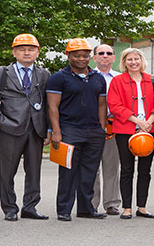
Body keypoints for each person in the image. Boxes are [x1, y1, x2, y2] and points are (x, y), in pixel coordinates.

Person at [0, 34, 51, 221]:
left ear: (37, 52)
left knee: (34, 171)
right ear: (14, 52)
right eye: (22, 49)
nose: (26, 52)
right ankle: (9, 208)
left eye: (31, 49)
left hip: (35, 129)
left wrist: (48, 129)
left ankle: (30, 207)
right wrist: (1, 122)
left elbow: (48, 103)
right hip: (10, 129)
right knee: (7, 171)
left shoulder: (44, 74)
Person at [46, 39, 108, 221]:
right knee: (68, 172)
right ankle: (63, 209)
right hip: (69, 130)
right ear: (68, 55)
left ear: (90, 56)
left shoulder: (97, 78)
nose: (81, 59)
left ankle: (86, 209)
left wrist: (101, 128)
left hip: (93, 131)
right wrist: (56, 132)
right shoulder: (59, 78)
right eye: (76, 55)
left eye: (85, 55)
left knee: (90, 171)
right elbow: (52, 107)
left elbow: (102, 104)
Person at [106, 48, 154, 220]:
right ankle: (126, 208)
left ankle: (142, 207)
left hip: (149, 129)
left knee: (145, 170)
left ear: (141, 60)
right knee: (126, 169)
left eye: (136, 59)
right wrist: (137, 121)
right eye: (129, 59)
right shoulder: (117, 81)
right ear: (124, 62)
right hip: (125, 129)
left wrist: (149, 121)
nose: (133, 62)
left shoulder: (153, 80)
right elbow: (114, 106)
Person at [91, 44, 122, 216]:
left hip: (114, 125)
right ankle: (91, 202)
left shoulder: (120, 78)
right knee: (91, 168)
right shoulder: (87, 76)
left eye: (109, 53)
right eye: (101, 53)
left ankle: (111, 203)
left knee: (111, 167)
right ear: (94, 57)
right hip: (92, 125)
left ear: (114, 57)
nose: (105, 56)